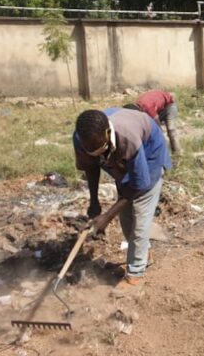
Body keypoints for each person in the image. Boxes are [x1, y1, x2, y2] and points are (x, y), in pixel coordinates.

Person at [73, 108, 171, 296]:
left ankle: (136, 275)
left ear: (107, 134)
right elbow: (91, 168)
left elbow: (138, 184)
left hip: (149, 156)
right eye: (90, 149)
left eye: (98, 147)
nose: (93, 151)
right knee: (126, 219)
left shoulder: (127, 137)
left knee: (140, 220)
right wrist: (94, 203)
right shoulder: (81, 138)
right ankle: (143, 254)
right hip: (122, 160)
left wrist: (107, 217)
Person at [124, 90, 183, 156]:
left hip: (169, 106)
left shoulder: (147, 107)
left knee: (170, 131)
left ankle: (176, 154)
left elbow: (158, 128)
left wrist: (160, 137)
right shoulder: (138, 106)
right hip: (159, 108)